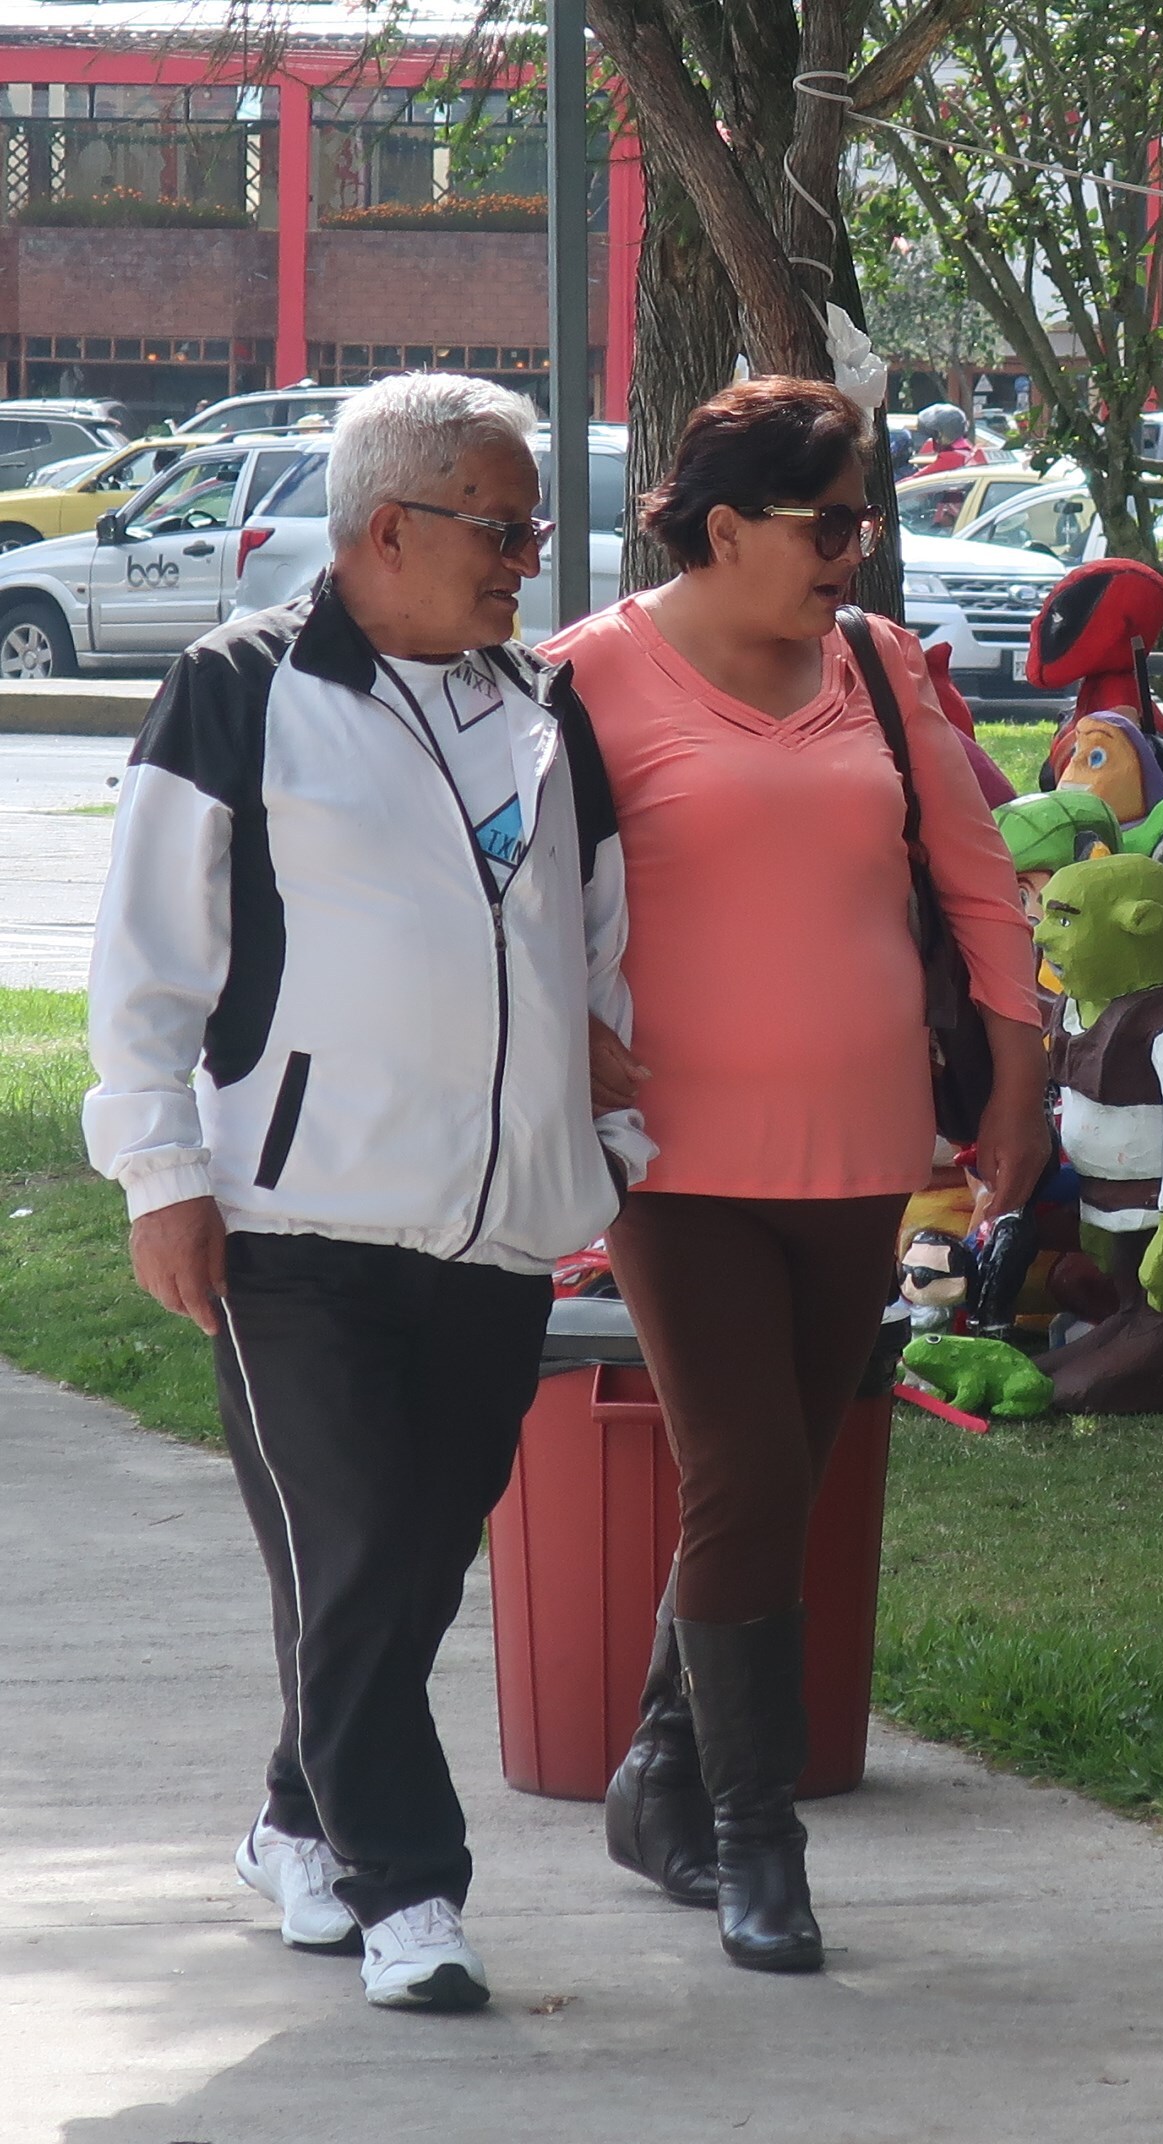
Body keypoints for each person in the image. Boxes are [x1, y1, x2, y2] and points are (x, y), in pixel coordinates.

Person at [84, 372, 650, 2013]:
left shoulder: (541, 704)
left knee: (403, 1563)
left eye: (536, 523)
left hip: (489, 1228)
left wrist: (593, 1111)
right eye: (504, 521)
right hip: (289, 1225)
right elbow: (145, 966)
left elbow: (588, 932)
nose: (529, 556)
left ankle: (290, 1817)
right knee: (352, 1552)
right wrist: (160, 1172)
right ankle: (413, 1890)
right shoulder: (239, 689)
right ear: (387, 526)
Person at [549, 377, 1048, 1974]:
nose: (858, 549)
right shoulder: (580, 680)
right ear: (722, 525)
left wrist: (1021, 1082)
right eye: (830, 521)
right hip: (674, 1164)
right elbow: (503, 903)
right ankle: (759, 1840)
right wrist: (560, 1026)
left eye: (866, 520)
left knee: (785, 1475)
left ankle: (662, 1770)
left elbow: (980, 896)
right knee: (748, 1475)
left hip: (865, 1156)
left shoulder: (883, 674)